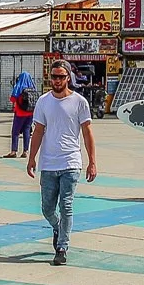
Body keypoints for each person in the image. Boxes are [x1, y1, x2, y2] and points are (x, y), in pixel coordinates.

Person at [27, 59, 97, 265]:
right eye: (54, 77)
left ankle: (62, 247)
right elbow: (38, 131)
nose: (57, 80)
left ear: (68, 78)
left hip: (70, 162)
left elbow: (87, 132)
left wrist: (92, 161)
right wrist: (31, 158)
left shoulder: (79, 102)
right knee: (47, 208)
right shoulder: (43, 101)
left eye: (61, 76)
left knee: (66, 205)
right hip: (48, 164)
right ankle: (57, 227)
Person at [5, 69, 36, 158]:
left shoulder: (19, 86)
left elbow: (12, 99)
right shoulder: (32, 87)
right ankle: (25, 151)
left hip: (20, 113)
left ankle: (14, 151)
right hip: (30, 113)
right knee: (27, 131)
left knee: (15, 132)